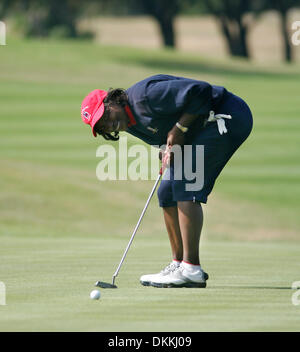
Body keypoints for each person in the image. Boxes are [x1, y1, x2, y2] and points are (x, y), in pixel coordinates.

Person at [81, 74, 253, 288]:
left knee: (185, 183)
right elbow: (166, 134)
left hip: (227, 116)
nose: (109, 124)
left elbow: (202, 91)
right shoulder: (129, 124)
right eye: (102, 126)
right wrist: (166, 149)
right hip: (202, 128)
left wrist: (178, 129)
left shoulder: (146, 96)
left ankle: (191, 268)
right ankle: (178, 264)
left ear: (112, 101)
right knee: (167, 191)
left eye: (106, 116)